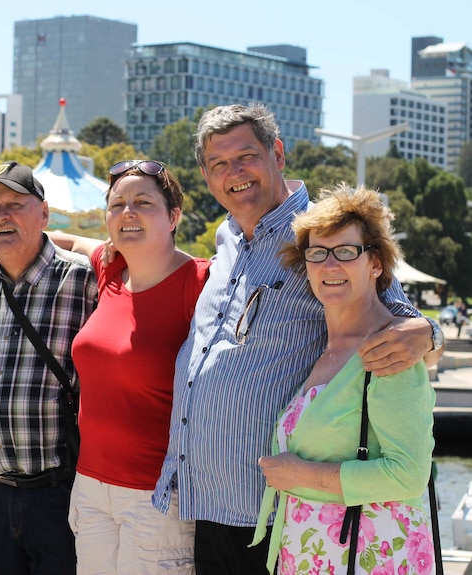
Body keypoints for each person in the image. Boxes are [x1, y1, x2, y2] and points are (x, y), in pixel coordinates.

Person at [150, 103, 443, 575]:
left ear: (277, 153)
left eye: (245, 156)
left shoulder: (320, 236)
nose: (235, 173)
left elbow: (397, 315)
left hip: (272, 513)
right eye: (219, 164)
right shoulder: (225, 238)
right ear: (206, 176)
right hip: (206, 505)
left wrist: (431, 329)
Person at [250, 184, 436, 574]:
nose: (330, 265)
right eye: (318, 253)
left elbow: (408, 475)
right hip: (315, 555)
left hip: (372, 559)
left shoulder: (388, 349)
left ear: (375, 264)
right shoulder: (327, 350)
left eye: (346, 252)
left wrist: (300, 474)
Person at [50, 160, 210, 574]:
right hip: (90, 487)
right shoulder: (111, 269)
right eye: (117, 204)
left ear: (174, 216)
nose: (128, 213)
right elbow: (57, 238)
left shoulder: (202, 282)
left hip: (156, 496)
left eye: (143, 203)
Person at [0, 161, 97, 575]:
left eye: (14, 205)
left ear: (44, 214)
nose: (0, 216)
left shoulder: (84, 280)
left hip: (60, 492)